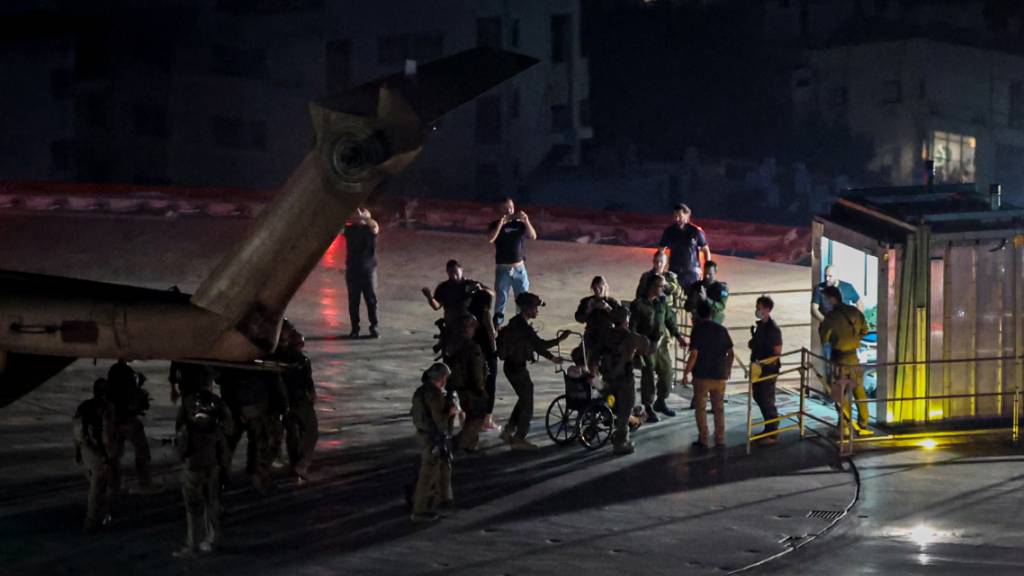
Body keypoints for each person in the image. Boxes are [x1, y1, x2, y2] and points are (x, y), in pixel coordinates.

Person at [496, 292, 570, 451]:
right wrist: (559, 341)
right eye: (535, 307)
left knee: (524, 397)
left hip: (512, 366)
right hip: (517, 367)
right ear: (528, 309)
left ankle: (509, 430)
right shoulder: (522, 327)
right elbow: (540, 345)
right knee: (527, 401)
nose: (537, 311)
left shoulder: (516, 323)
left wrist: (551, 357)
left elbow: (535, 345)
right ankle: (520, 438)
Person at [172, 372, 234, 558]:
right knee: (212, 501)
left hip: (193, 464)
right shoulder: (217, 403)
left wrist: (181, 455)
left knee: (193, 506)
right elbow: (229, 428)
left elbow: (179, 429)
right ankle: (213, 540)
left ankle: (193, 546)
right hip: (212, 461)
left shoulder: (188, 402)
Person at [630, 274, 687, 422]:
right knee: (648, 376)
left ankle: (661, 401)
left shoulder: (662, 303)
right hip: (646, 346)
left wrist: (679, 336)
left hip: (661, 345)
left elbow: (669, 320)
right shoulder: (639, 304)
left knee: (667, 373)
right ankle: (648, 406)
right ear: (652, 286)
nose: (663, 289)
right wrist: (637, 347)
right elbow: (633, 328)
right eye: (660, 286)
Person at [595, 307, 650, 455]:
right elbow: (647, 347)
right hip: (624, 380)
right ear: (626, 319)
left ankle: (613, 424)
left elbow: (595, 353)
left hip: (607, 379)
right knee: (626, 410)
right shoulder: (630, 337)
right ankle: (621, 442)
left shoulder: (606, 335)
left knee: (613, 404)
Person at [818, 285, 872, 435]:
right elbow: (865, 330)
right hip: (854, 357)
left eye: (825, 300)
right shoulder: (854, 311)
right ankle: (863, 423)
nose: (824, 303)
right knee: (859, 390)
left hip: (839, 359)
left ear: (832, 299)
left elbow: (824, 338)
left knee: (840, 393)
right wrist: (854, 339)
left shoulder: (831, 317)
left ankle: (844, 425)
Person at [684, 300, 734, 449]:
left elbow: (694, 354)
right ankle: (720, 438)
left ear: (698, 314)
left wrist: (686, 373)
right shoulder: (721, 330)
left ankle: (704, 438)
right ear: (712, 314)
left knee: (701, 408)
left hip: (702, 376)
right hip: (720, 375)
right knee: (718, 408)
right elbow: (731, 353)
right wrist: (728, 369)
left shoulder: (697, 330)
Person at [410, 362, 457, 523]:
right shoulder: (435, 395)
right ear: (442, 378)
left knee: (443, 467)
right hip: (434, 438)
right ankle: (420, 510)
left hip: (424, 435)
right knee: (428, 474)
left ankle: (442, 499)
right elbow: (441, 422)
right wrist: (451, 412)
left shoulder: (421, 391)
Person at [106, 359, 161, 494]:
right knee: (142, 453)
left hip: (114, 421)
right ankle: (145, 484)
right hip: (128, 420)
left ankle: (115, 486)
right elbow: (133, 398)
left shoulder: (113, 371)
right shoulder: (128, 374)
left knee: (114, 456)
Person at [275, 321, 318, 480]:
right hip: (298, 400)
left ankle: (295, 464)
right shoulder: (300, 360)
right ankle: (301, 464)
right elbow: (307, 381)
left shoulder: (274, 355)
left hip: (282, 402)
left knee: (292, 433)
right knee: (310, 431)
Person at [73, 378, 116, 533]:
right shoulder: (105, 408)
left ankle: (97, 519)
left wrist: (77, 451)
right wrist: (108, 457)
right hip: (98, 453)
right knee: (99, 488)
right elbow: (107, 435)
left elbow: (76, 429)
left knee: (94, 485)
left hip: (84, 450)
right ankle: (92, 522)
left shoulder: (84, 406)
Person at [488, 197, 537, 326]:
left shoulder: (519, 224)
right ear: (500, 209)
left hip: (519, 269)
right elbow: (491, 238)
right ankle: (497, 328)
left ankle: (521, 328)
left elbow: (533, 236)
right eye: (506, 208)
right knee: (501, 301)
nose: (509, 210)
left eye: (511, 207)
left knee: (523, 301)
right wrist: (501, 223)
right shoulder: (495, 224)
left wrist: (526, 221)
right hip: (503, 269)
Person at [443, 314, 488, 452]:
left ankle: (471, 444)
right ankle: (456, 444)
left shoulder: (452, 344)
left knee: (470, 416)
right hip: (470, 389)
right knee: (477, 417)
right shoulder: (472, 347)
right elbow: (476, 372)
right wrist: (481, 389)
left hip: (456, 386)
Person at [422, 259, 484, 350]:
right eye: (451, 273)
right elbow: (437, 306)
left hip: (469, 322)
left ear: (461, 270)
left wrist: (481, 290)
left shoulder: (471, 284)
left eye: (455, 272)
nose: (454, 275)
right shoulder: (443, 288)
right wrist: (430, 297)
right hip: (452, 322)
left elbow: (491, 294)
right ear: (447, 272)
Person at [748, 295, 783, 444]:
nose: (757, 310)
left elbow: (777, 351)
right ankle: (768, 428)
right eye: (757, 307)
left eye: (759, 308)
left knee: (767, 398)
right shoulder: (761, 326)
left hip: (768, 369)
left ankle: (772, 431)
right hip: (758, 367)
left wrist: (766, 363)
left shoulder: (773, 329)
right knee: (758, 396)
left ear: (767, 310)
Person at [344, 207, 380, 339]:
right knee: (354, 302)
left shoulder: (369, 230)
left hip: (368, 270)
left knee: (371, 300)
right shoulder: (350, 230)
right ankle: (355, 329)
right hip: (353, 270)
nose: (359, 214)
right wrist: (353, 217)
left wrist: (364, 217)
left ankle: (374, 327)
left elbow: (375, 226)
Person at [657, 203, 711, 290]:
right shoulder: (669, 231)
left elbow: (706, 250)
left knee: (692, 296)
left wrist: (708, 269)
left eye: (679, 215)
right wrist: (659, 268)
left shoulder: (696, 231)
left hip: (692, 272)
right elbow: (661, 250)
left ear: (687, 215)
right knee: (673, 294)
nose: (676, 218)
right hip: (674, 271)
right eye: (675, 216)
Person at [467, 289, 500, 431]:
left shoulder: (469, 314)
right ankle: (487, 420)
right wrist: (495, 350)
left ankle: (474, 418)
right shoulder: (485, 313)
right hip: (487, 353)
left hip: (474, 353)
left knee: (476, 384)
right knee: (490, 386)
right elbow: (492, 334)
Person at [574, 275, 623, 367]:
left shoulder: (612, 302)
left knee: (600, 360)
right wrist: (588, 310)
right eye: (595, 287)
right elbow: (579, 318)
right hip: (591, 335)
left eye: (600, 287)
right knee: (577, 355)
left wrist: (607, 308)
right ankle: (585, 375)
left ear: (605, 287)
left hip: (607, 336)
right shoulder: (587, 301)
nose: (597, 290)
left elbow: (620, 319)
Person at [684, 260, 729, 325]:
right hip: (698, 322)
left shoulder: (721, 289)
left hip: (714, 324)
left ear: (715, 272)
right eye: (705, 273)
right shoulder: (696, 286)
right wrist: (693, 300)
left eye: (710, 274)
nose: (707, 276)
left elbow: (721, 306)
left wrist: (706, 299)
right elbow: (687, 307)